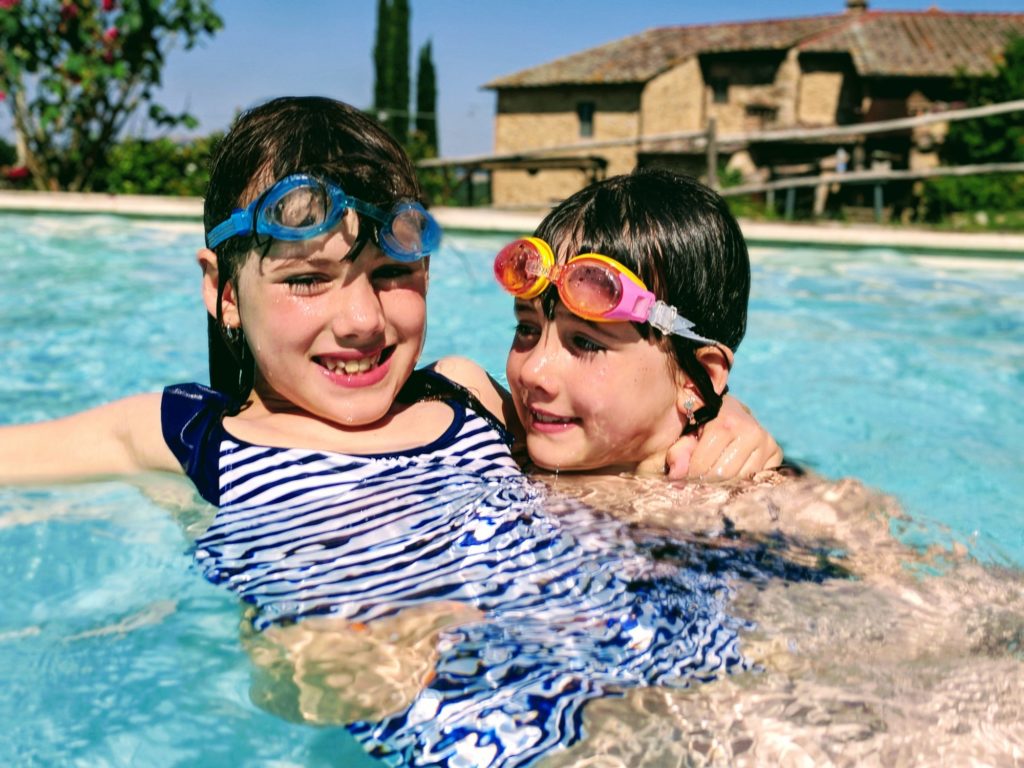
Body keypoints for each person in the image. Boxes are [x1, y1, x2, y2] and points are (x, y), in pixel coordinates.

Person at [0, 96, 779, 767]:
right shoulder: (194, 435)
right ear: (223, 291)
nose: (362, 321)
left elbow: (608, 436)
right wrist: (293, 661)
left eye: (389, 275)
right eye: (305, 279)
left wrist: (713, 415)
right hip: (490, 738)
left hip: (676, 682)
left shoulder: (470, 395)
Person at [492, 168, 770, 481]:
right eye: (527, 329)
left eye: (585, 342)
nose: (532, 371)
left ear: (696, 378)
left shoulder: (748, 508)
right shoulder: (480, 435)